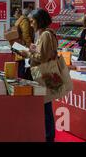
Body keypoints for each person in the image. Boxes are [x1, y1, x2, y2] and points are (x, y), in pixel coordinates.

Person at [19, 8, 58, 142]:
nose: (31, 24)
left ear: (39, 21)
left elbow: (42, 57)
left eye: (32, 21)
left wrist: (27, 53)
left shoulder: (46, 35)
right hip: (44, 74)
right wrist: (33, 49)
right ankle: (47, 136)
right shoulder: (44, 34)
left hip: (43, 75)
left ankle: (48, 137)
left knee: (46, 108)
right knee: (45, 107)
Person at [14, 8, 34, 78]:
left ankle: (21, 80)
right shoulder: (25, 21)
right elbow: (26, 35)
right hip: (24, 47)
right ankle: (24, 83)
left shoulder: (19, 20)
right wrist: (30, 46)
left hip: (19, 46)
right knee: (24, 67)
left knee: (21, 66)